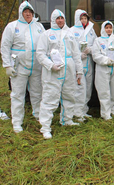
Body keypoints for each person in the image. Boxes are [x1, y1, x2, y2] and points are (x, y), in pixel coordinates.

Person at [36, 9, 84, 139]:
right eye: (57, 18)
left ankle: (66, 120)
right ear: (53, 20)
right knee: (50, 97)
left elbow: (76, 53)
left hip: (68, 68)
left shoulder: (70, 34)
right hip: (53, 71)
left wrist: (79, 71)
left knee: (69, 94)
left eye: (62, 18)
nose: (60, 21)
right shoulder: (47, 35)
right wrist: (50, 65)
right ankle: (45, 127)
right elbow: (40, 54)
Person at [0, 1, 45, 133]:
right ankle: (17, 122)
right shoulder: (12, 26)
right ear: (21, 13)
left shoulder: (38, 26)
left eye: (30, 12)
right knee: (18, 95)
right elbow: (5, 46)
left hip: (36, 66)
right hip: (19, 67)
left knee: (37, 93)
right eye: (25, 12)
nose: (28, 14)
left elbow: (45, 43)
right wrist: (7, 65)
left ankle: (38, 116)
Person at [92, 21, 114, 120]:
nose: (109, 30)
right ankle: (105, 113)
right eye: (106, 28)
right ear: (103, 29)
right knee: (104, 91)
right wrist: (106, 60)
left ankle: (111, 109)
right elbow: (95, 55)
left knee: (113, 90)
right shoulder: (98, 41)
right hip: (103, 69)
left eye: (110, 28)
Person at [70, 9, 97, 122]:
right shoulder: (72, 31)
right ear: (77, 19)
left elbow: (96, 43)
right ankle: (77, 112)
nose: (83, 20)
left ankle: (84, 110)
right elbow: (69, 47)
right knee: (79, 88)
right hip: (78, 63)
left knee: (88, 87)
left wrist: (90, 50)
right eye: (81, 18)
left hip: (89, 62)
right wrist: (78, 54)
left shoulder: (91, 30)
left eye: (85, 18)